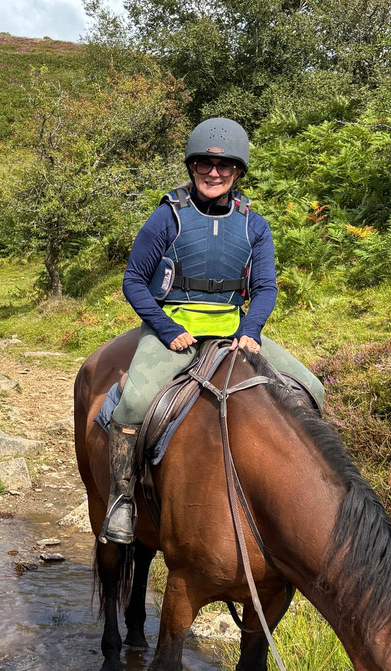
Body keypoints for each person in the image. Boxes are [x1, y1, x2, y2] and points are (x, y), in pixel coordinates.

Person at [103, 118, 324, 545]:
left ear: (238, 172)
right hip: (175, 327)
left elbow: (264, 287)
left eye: (225, 166)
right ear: (192, 166)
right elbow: (134, 280)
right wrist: (166, 328)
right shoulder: (167, 217)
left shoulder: (255, 225)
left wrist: (251, 329)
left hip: (233, 328)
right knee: (132, 405)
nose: (214, 173)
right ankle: (122, 500)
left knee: (312, 388)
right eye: (204, 164)